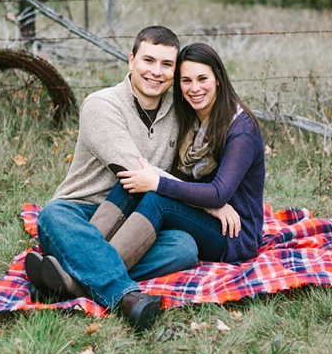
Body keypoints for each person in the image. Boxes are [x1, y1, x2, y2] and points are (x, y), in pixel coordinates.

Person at [33, 43, 265, 332]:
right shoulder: (190, 120)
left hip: (234, 232)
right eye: (186, 80)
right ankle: (91, 275)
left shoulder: (240, 128)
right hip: (201, 220)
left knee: (157, 197)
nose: (194, 88)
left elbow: (219, 193)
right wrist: (159, 185)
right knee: (143, 199)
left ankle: (73, 275)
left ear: (218, 77)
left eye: (202, 79)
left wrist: (166, 186)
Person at [26, 27, 200, 332]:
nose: (156, 72)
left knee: (184, 247)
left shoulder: (180, 112)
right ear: (131, 60)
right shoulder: (101, 105)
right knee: (52, 215)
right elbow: (134, 171)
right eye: (148, 60)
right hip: (81, 213)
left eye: (166, 64)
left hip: (137, 220)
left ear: (175, 71)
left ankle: (69, 281)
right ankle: (127, 298)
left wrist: (218, 196)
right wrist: (208, 201)